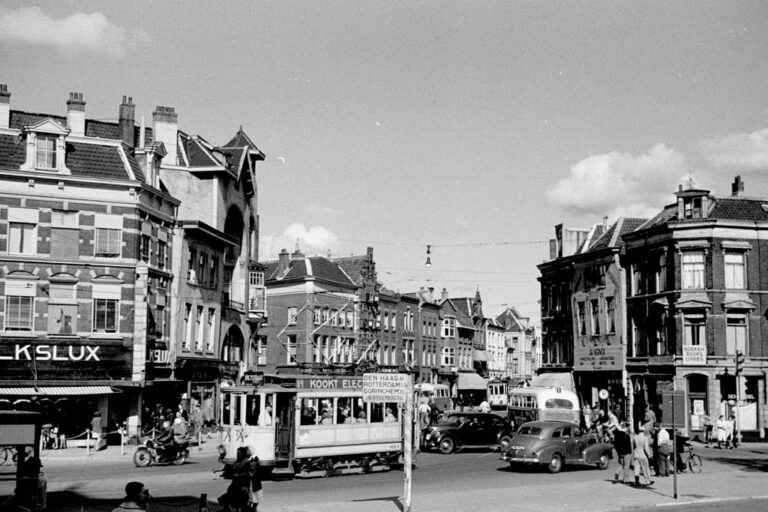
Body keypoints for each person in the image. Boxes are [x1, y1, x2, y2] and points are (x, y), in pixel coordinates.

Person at [219, 447, 253, 512]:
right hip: (235, 485)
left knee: (241, 504)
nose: (237, 454)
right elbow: (232, 469)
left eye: (239, 453)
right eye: (237, 453)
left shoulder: (246, 462)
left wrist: (239, 475)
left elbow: (248, 474)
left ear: (243, 454)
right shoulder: (237, 461)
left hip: (242, 486)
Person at [14, 446, 45, 512]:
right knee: (43, 482)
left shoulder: (28, 460)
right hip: (31, 481)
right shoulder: (35, 459)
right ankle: (42, 504)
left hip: (27, 481)